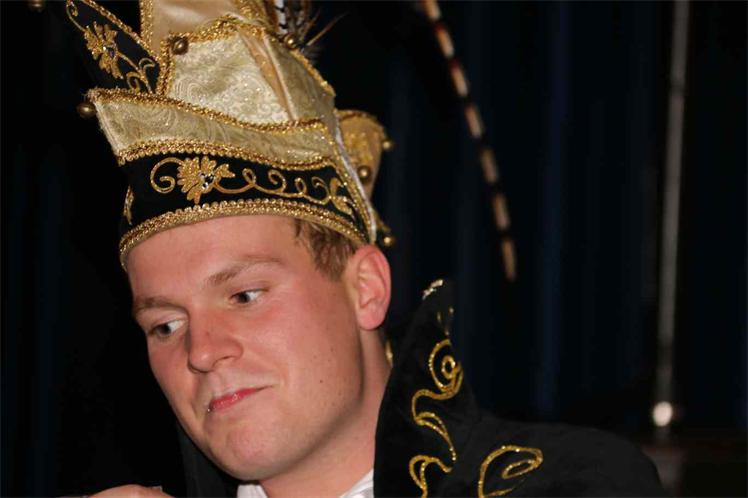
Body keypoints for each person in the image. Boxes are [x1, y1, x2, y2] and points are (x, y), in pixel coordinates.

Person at [59, 0, 666, 496]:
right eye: (165, 326)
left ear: (366, 289)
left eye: (244, 295)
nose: (201, 352)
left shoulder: (575, 484)